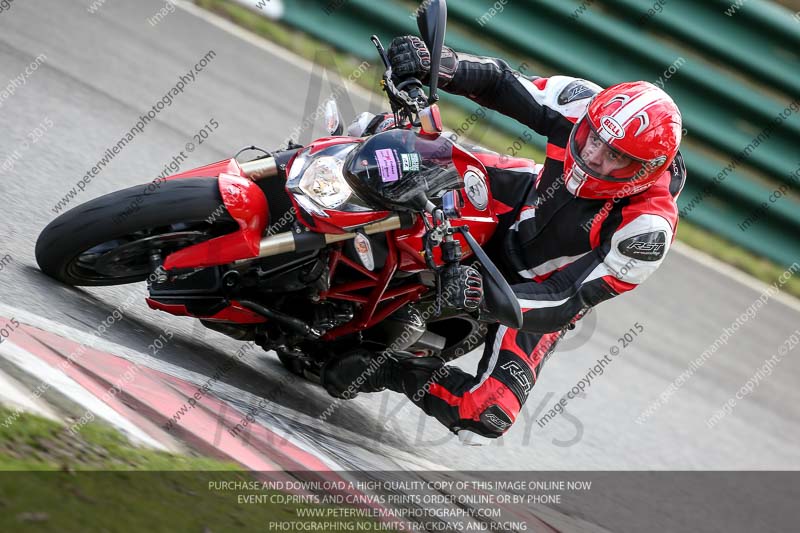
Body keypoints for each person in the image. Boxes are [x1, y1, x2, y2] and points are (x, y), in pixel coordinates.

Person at [321, 36, 686, 445]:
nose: (595, 156)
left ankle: (390, 369)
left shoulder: (647, 230)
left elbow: (566, 297)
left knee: (488, 412)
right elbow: (501, 83)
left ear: (645, 170)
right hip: (515, 200)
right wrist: (440, 65)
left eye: (616, 157)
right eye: (593, 139)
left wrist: (487, 298)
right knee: (392, 147)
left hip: (534, 295)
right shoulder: (584, 104)